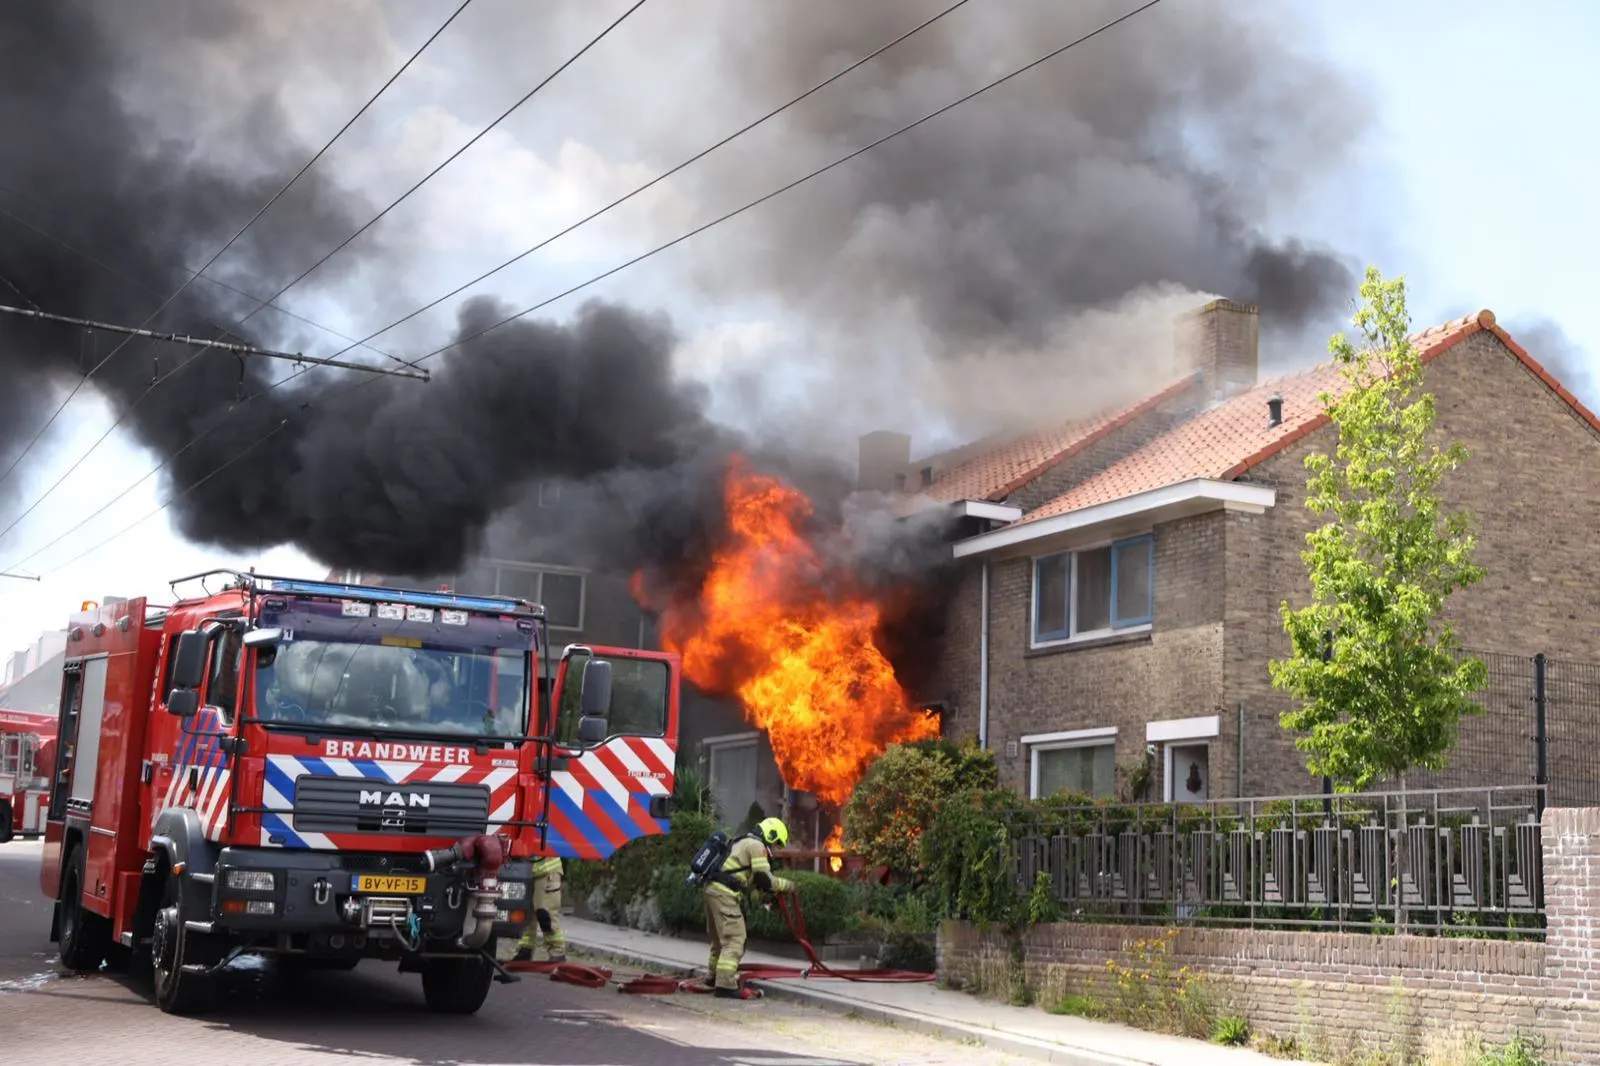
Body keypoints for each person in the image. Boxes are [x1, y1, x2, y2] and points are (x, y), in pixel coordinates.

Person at [703, 816, 796, 999]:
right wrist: (788, 885)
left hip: (712, 890)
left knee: (719, 939)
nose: (775, 849)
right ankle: (725, 985)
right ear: (771, 834)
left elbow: (749, 882)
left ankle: (713, 977)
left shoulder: (742, 841)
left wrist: (763, 897)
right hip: (725, 893)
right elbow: (765, 879)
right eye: (776, 843)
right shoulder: (757, 846)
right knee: (735, 938)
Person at [511, 855, 566, 964]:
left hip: (547, 871)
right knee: (525, 914)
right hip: (524, 870)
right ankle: (526, 948)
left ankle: (557, 953)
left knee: (545, 915)